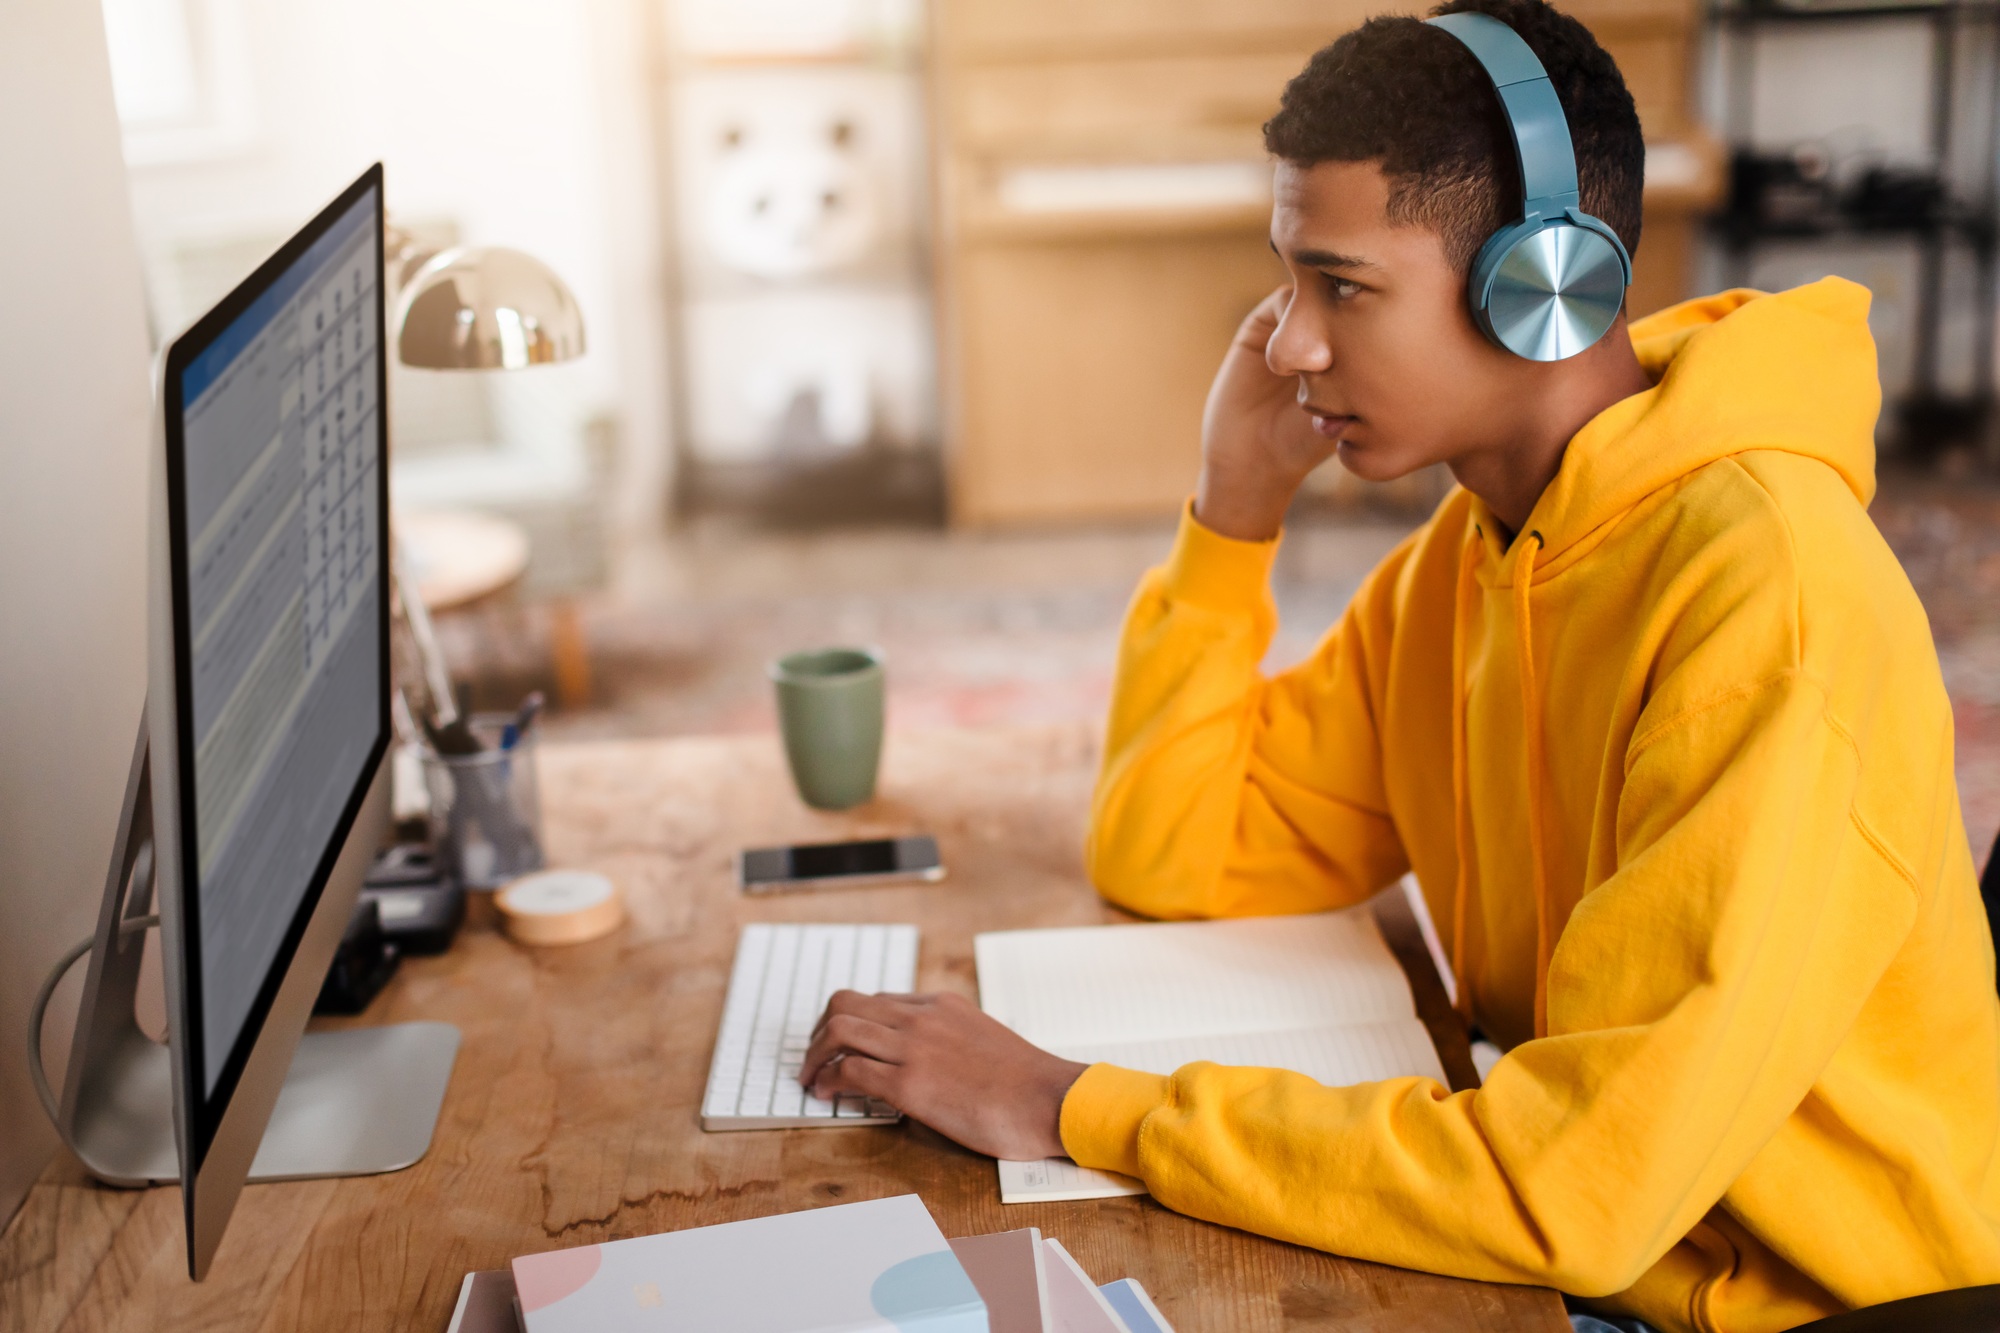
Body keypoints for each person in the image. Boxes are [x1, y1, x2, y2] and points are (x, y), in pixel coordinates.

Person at [797, 1, 2000, 1328]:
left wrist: (1061, 1102)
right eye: (1289, 279)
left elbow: (1576, 1193)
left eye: (1346, 285)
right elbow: (1180, 855)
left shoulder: (1768, 605)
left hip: (1787, 1307)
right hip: (1600, 1243)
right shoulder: (1471, 558)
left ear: (1549, 284)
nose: (1290, 345)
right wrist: (1229, 514)